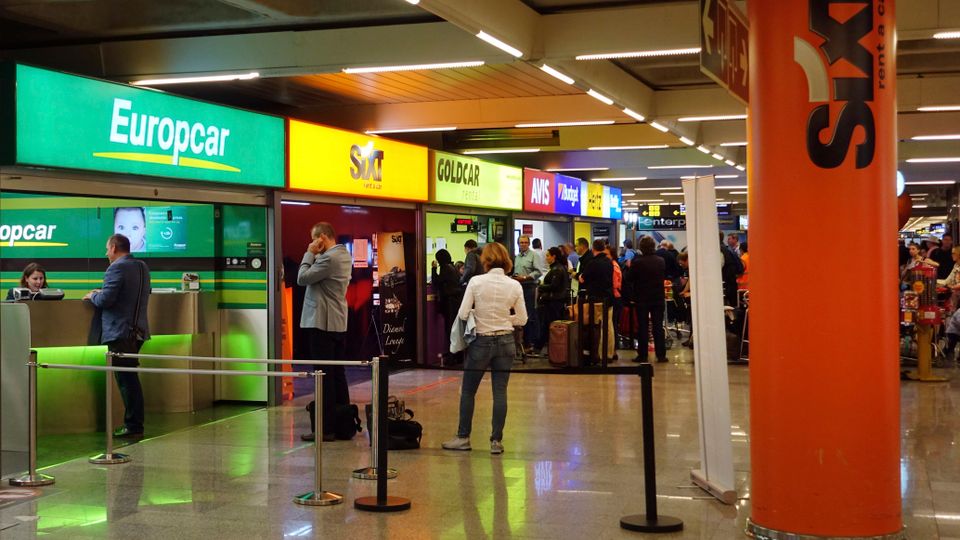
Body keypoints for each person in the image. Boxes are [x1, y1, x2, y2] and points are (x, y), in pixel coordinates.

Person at [443, 242, 527, 455]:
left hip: (481, 342)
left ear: (485, 261)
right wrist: (504, 319)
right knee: (500, 392)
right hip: (506, 341)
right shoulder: (514, 285)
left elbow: (463, 313)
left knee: (468, 391)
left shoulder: (476, 281)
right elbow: (522, 319)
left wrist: (480, 316)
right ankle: (496, 441)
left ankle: (463, 437)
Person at [83, 234, 150, 438]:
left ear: (113, 248)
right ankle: (135, 423)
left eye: (107, 249)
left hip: (120, 332)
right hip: (138, 331)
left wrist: (93, 295)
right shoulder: (142, 267)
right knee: (130, 377)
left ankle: (133, 425)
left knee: (127, 381)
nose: (106, 253)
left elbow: (106, 300)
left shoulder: (117, 268)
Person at [297, 222, 353, 442]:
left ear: (322, 237)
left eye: (313, 239)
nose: (312, 243)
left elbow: (302, 278)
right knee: (338, 375)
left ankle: (325, 428)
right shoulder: (343, 255)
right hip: (337, 323)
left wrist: (309, 253)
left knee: (323, 377)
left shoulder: (328, 259)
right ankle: (343, 425)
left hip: (322, 323)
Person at [626, 236, 667, 362]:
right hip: (658, 298)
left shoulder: (637, 262)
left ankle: (642, 355)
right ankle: (661, 355)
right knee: (658, 326)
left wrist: (629, 267)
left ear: (641, 247)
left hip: (642, 298)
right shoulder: (661, 261)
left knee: (642, 327)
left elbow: (629, 278)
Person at [534, 246, 571, 353]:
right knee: (550, 325)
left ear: (553, 256)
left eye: (548, 256)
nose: (546, 258)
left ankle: (539, 348)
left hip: (553, 301)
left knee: (548, 325)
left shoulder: (557, 269)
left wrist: (541, 286)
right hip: (556, 301)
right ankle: (545, 348)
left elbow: (554, 286)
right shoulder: (559, 267)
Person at [513, 235, 542, 353]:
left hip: (529, 287)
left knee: (529, 315)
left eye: (525, 242)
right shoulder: (517, 257)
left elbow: (538, 272)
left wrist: (525, 277)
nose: (523, 244)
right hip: (518, 287)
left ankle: (530, 343)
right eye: (521, 242)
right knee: (519, 314)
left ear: (529, 244)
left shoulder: (534, 255)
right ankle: (522, 342)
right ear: (518, 244)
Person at [432, 248, 462, 362]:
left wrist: (433, 268)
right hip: (456, 301)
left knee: (450, 329)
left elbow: (436, 281)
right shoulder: (453, 267)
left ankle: (452, 356)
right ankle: (458, 356)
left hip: (449, 302)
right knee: (455, 329)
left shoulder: (445, 267)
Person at [720, 231, 743, 306]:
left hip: (737, 283)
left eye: (729, 239)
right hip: (734, 282)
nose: (727, 241)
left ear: (735, 239)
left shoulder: (737, 251)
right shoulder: (729, 250)